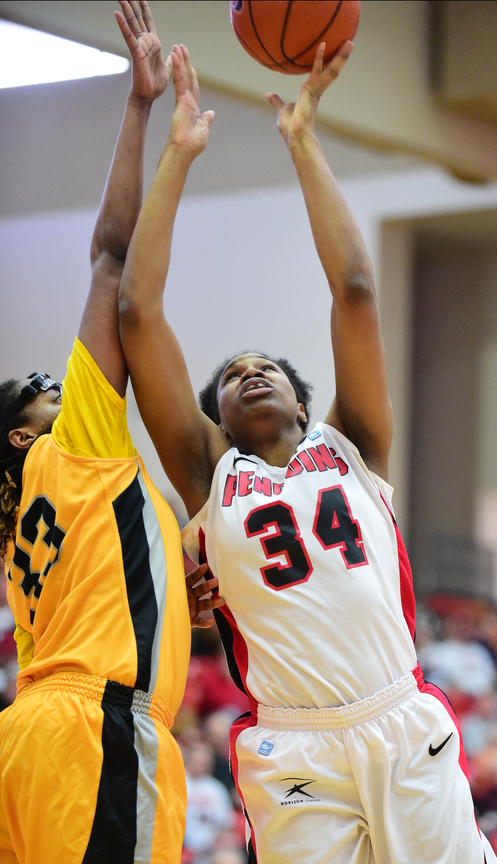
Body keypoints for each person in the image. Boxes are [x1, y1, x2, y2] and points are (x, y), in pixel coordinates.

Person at [118, 40, 496, 864]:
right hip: (292, 747)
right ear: (215, 416)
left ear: (302, 401)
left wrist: (302, 141)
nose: (251, 373)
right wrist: (178, 153)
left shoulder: (352, 445)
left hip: (398, 714)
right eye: (232, 377)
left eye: (268, 370)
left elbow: (355, 289)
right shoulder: (208, 475)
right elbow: (138, 312)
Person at [0, 4, 222, 863]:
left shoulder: (25, 521)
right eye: (35, 393)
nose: (56, 385)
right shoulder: (77, 447)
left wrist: (173, 593)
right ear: (21, 439)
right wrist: (142, 113)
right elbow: (112, 257)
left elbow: (107, 586)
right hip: (94, 733)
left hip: (30, 738)